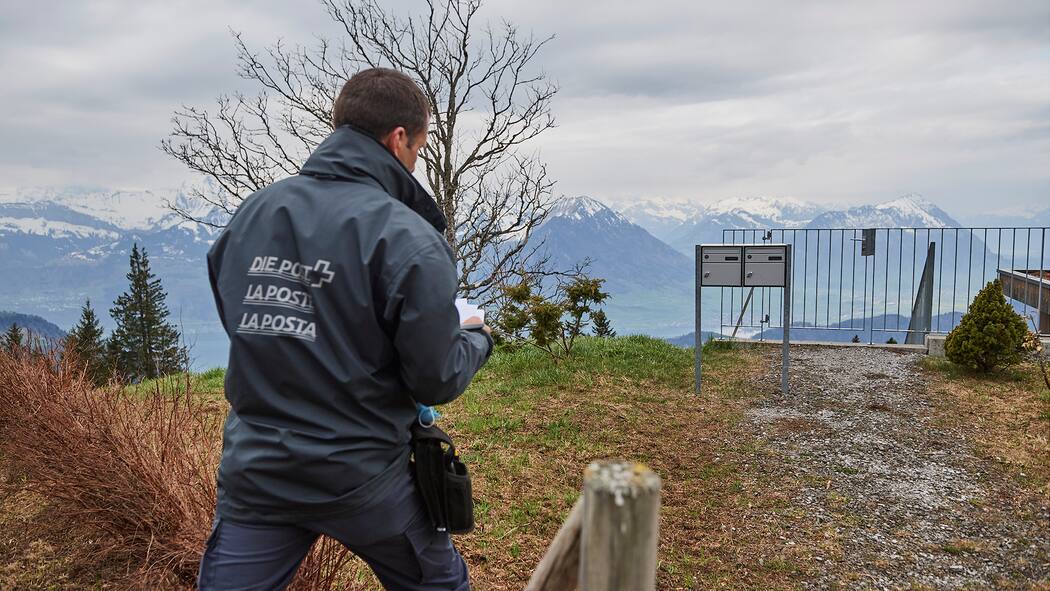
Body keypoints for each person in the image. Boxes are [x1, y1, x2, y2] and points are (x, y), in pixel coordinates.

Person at [198, 67, 493, 591]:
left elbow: (245, 324)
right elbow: (434, 379)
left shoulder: (253, 214)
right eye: (420, 147)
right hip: (365, 479)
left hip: (259, 475)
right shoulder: (408, 239)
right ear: (399, 138)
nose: (416, 158)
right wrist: (474, 336)